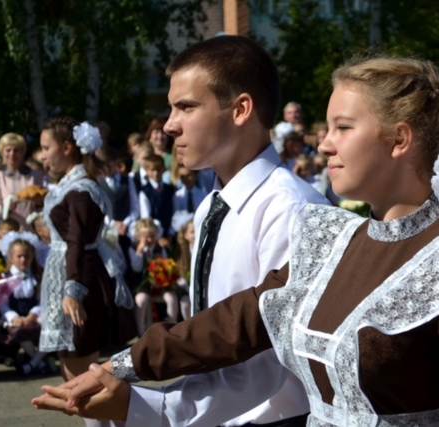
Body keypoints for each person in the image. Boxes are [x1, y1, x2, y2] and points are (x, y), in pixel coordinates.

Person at [34, 55, 439, 426]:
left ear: (399, 139)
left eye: (343, 127)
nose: (324, 143)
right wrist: (122, 367)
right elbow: (236, 323)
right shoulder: (333, 240)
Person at [37, 35, 326, 427]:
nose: (170, 125)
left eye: (186, 107)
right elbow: (210, 332)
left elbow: (265, 366)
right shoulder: (212, 203)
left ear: (241, 109)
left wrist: (143, 408)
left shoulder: (290, 209)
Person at [37, 117, 136, 427]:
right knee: (75, 376)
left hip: (80, 280)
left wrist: (72, 291)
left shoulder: (81, 190)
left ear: (67, 148)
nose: (42, 155)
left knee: (84, 379)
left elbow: (78, 242)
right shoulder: (71, 185)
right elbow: (72, 238)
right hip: (70, 274)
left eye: (46, 148)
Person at [0, 231, 50, 376]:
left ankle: (33, 364)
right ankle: (40, 362)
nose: (23, 260)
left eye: (27, 256)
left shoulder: (37, 276)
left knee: (52, 325)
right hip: (14, 318)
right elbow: (2, 304)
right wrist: (14, 317)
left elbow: (42, 300)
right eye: (19, 256)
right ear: (11, 258)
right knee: (18, 330)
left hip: (33, 315)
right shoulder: (5, 277)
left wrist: (33, 314)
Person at [129, 219, 177, 333]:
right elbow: (136, 268)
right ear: (138, 236)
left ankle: (173, 326)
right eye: (146, 236)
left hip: (159, 283)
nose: (149, 240)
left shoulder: (159, 248)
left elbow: (165, 263)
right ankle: (141, 331)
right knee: (141, 299)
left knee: (171, 297)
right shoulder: (133, 248)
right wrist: (139, 251)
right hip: (143, 283)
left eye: (152, 236)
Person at [0, 133, 43, 232]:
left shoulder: (35, 175)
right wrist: (6, 208)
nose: (12, 154)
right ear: (2, 152)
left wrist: (39, 203)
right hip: (8, 232)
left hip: (31, 230)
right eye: (8, 150)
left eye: (16, 150)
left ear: (23, 152)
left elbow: (41, 207)